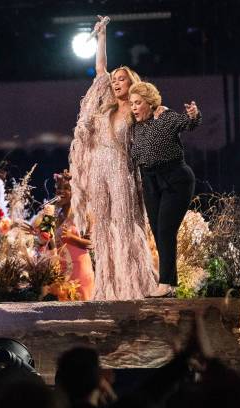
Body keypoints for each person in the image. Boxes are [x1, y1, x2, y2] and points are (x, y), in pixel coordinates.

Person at [69, 16, 157, 300]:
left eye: (122, 79)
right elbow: (100, 69)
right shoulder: (105, 109)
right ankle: (106, 288)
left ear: (132, 85)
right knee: (103, 227)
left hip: (120, 169)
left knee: (126, 222)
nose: (117, 82)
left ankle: (134, 284)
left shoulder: (134, 112)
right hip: (98, 168)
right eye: (115, 80)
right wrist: (102, 35)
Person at [129, 81, 201, 297]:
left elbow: (188, 124)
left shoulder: (165, 116)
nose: (134, 108)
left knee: (166, 230)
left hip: (175, 180)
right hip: (150, 183)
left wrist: (193, 114)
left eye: (138, 103)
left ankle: (165, 283)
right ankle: (170, 284)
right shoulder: (136, 127)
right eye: (132, 103)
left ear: (150, 103)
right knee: (159, 234)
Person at [53, 171, 95, 301]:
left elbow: (92, 243)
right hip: (62, 271)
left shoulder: (83, 214)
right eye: (59, 188)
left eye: (66, 188)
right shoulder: (56, 215)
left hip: (80, 270)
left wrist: (72, 237)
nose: (61, 191)